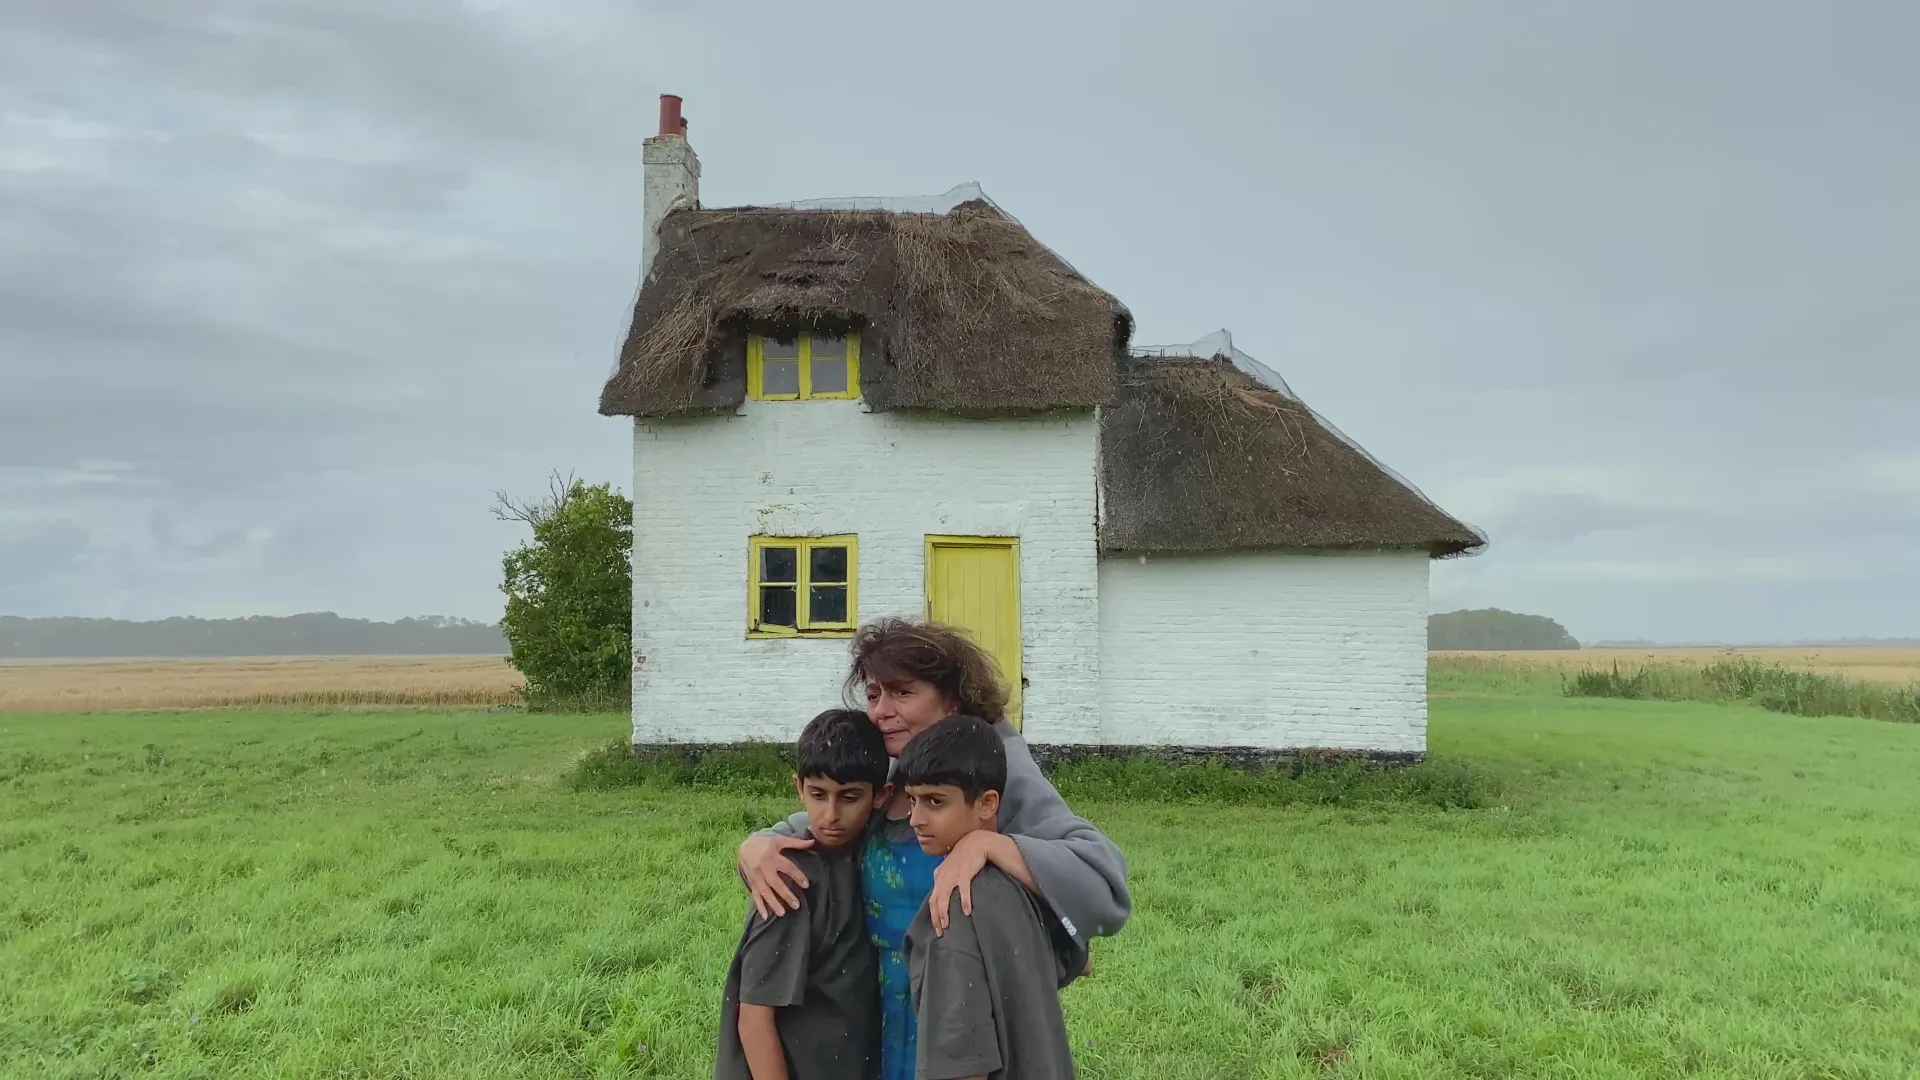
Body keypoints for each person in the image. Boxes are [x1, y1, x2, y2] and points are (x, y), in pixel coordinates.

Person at [736, 618, 1129, 1080]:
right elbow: (831, 818)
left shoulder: (995, 765)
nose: (882, 710)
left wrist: (991, 842)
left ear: (953, 698)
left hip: (964, 1011)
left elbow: (1102, 879)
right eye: (875, 693)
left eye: (903, 693)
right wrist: (758, 843)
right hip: (881, 1008)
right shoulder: (893, 765)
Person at [899, 714, 1081, 1080]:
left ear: (986, 803)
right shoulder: (1024, 880)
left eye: (935, 802)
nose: (915, 818)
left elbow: (962, 1069)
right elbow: (1079, 957)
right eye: (912, 800)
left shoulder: (954, 907)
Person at [714, 709, 890, 1080]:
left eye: (850, 797)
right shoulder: (789, 876)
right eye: (817, 794)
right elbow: (755, 1019)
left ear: (880, 796)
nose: (831, 814)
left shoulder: (874, 852)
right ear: (798, 787)